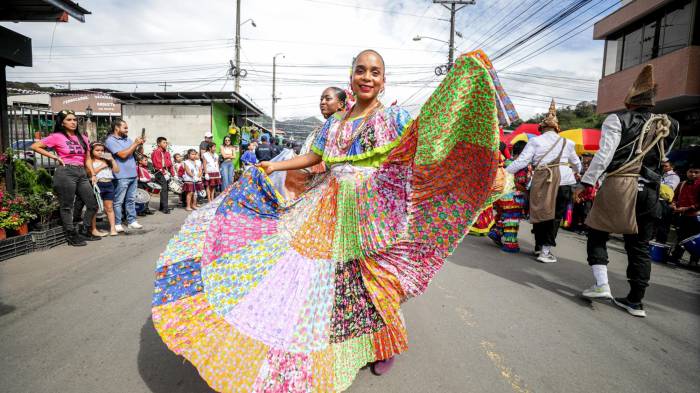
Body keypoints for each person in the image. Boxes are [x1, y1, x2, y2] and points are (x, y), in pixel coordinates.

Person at [150, 49, 511, 392]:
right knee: (324, 281)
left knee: (376, 280)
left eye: (375, 72)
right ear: (351, 78)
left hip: (376, 209)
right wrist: (274, 164)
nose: (367, 77)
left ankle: (386, 344)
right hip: (325, 206)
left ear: (384, 81)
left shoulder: (395, 118)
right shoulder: (336, 122)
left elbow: (429, 146)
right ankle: (336, 348)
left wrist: (482, 166)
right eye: (360, 70)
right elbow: (314, 155)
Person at [578, 64, 679, 317]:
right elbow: (662, 155)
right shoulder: (671, 124)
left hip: (621, 184)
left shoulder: (617, 119)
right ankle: (636, 302)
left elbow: (604, 156)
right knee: (639, 245)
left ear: (629, 101)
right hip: (651, 191)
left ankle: (602, 284)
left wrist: (587, 182)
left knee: (597, 231)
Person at [506, 99, 582, 263]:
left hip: (541, 181)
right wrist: (576, 173)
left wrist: (504, 172)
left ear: (541, 128)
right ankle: (545, 250)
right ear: (557, 128)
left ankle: (539, 245)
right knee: (555, 216)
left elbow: (521, 162)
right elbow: (577, 164)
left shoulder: (535, 141)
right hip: (564, 181)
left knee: (539, 212)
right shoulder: (568, 142)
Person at [30, 110, 100, 246]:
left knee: (92, 204)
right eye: (69, 120)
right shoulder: (56, 136)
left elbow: (88, 158)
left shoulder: (83, 137)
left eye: (74, 119)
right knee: (67, 206)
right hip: (66, 171)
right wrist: (55, 157)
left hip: (81, 172)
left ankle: (85, 230)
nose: (73, 122)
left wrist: (93, 173)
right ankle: (71, 234)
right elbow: (35, 146)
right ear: (62, 122)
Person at [489, 142, 529, 252]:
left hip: (501, 195)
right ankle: (510, 243)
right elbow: (520, 181)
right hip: (513, 198)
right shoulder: (521, 165)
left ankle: (496, 232)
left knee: (505, 217)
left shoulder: (506, 162)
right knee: (512, 220)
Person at [105, 119, 144, 232]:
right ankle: (117, 223)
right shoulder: (110, 140)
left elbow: (136, 153)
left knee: (131, 199)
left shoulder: (128, 139)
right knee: (118, 201)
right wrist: (135, 143)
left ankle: (132, 221)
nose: (127, 130)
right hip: (121, 175)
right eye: (125, 127)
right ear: (116, 128)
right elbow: (122, 155)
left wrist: (139, 145)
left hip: (132, 174)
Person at [668, 166, 700, 267]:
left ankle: (694, 260)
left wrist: (687, 208)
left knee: (693, 239)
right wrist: (673, 204)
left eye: (696, 172)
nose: (693, 174)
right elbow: (675, 197)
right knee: (681, 237)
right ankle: (676, 257)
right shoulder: (682, 184)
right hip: (682, 215)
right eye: (691, 171)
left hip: (695, 216)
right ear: (687, 172)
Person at [89, 142, 120, 236]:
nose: (100, 152)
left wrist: (112, 160)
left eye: (102, 150)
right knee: (94, 208)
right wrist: (101, 166)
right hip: (97, 184)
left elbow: (117, 171)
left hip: (109, 184)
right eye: (97, 150)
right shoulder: (90, 161)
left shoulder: (107, 160)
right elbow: (89, 174)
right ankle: (93, 229)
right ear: (92, 151)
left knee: (109, 208)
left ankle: (113, 228)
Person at [150, 136, 174, 214]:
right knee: (164, 190)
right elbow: (157, 164)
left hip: (166, 171)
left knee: (165, 189)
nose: (166, 144)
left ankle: (162, 206)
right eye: (164, 142)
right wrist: (164, 173)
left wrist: (172, 173)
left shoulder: (166, 152)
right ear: (158, 144)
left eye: (166, 142)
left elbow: (170, 164)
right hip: (160, 172)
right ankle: (165, 208)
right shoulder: (156, 152)